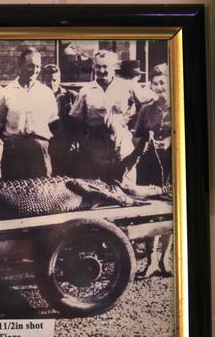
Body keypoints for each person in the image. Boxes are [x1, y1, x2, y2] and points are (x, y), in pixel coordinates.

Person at [68, 50, 151, 182]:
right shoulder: (85, 91)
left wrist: (138, 126)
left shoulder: (126, 86)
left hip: (121, 141)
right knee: (96, 186)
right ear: (93, 67)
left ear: (114, 67)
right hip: (95, 144)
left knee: (125, 184)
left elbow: (149, 102)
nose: (101, 70)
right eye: (98, 66)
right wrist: (79, 141)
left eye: (105, 66)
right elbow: (76, 119)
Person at [0, 48, 59, 180]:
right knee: (12, 188)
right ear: (20, 65)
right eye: (30, 66)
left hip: (39, 149)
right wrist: (14, 140)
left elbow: (53, 123)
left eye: (38, 67)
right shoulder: (6, 93)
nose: (35, 71)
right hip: (14, 150)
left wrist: (38, 140)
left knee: (41, 189)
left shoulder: (46, 92)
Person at [133, 63, 173, 277]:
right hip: (149, 166)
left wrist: (170, 140)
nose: (158, 87)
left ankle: (165, 259)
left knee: (169, 211)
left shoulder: (178, 105)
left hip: (171, 166)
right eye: (154, 83)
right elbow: (136, 135)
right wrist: (145, 139)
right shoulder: (146, 109)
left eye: (162, 82)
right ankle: (151, 262)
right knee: (151, 212)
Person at [41, 64, 79, 176]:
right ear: (43, 80)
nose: (52, 84)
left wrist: (74, 141)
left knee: (66, 176)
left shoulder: (71, 96)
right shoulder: (38, 97)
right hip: (46, 143)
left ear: (59, 79)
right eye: (48, 81)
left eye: (54, 80)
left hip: (65, 145)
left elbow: (78, 122)